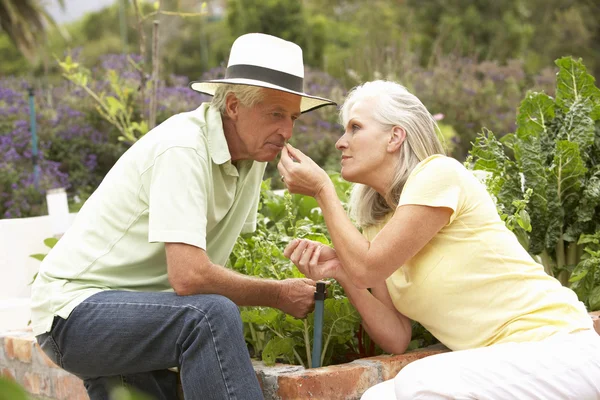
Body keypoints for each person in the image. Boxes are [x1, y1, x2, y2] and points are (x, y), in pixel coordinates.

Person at [31, 33, 336, 400]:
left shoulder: (253, 157)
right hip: (76, 314)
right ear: (235, 106)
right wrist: (277, 293)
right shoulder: (183, 148)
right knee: (209, 316)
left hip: (140, 314)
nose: (286, 131)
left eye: (292, 118)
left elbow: (219, 261)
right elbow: (189, 276)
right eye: (275, 114)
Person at [279, 80, 600, 399]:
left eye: (355, 128)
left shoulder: (439, 175)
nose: (340, 142)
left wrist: (323, 190)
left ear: (395, 136)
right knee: (378, 397)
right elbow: (395, 336)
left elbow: (368, 267)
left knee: (419, 380)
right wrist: (343, 271)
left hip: (559, 349)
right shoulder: (377, 227)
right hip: (500, 367)